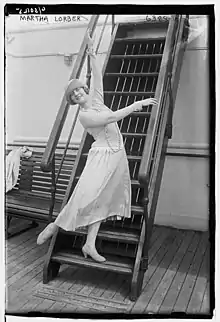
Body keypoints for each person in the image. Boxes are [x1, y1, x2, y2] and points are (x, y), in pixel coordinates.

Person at [37, 30, 158, 262]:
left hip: (117, 155)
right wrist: (137, 104)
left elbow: (98, 75)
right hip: (101, 156)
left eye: (81, 89)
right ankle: (56, 224)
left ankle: (90, 244)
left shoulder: (97, 100)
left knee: (103, 199)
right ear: (73, 101)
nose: (80, 93)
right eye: (75, 94)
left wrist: (92, 53)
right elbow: (111, 119)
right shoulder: (84, 116)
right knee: (86, 194)